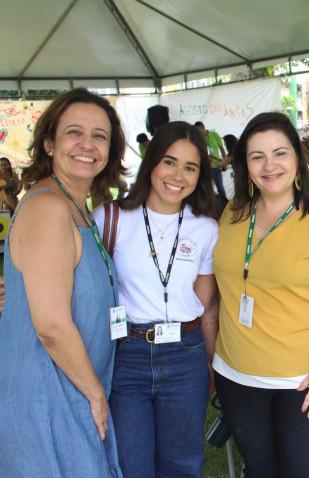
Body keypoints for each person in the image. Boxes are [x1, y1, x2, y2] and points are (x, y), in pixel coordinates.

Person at [212, 112, 309, 478]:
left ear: (297, 160)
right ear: (244, 164)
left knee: (303, 471)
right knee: (260, 470)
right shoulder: (232, 214)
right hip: (237, 375)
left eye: (279, 153)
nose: (269, 165)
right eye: (257, 156)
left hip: (304, 379)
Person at [0, 88, 126, 477]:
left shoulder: (77, 207)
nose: (87, 144)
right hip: (49, 393)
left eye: (100, 136)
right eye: (75, 132)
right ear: (50, 144)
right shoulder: (49, 208)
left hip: (72, 385)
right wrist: (95, 395)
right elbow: (52, 326)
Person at [94, 121, 220, 478]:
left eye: (190, 167)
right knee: (132, 464)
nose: (177, 175)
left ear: (200, 175)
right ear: (151, 162)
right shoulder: (109, 218)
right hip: (127, 354)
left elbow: (208, 307)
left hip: (185, 355)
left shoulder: (206, 228)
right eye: (169, 161)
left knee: (183, 463)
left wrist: (214, 366)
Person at [195, 121, 228, 203]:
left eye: (199, 131)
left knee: (220, 187)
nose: (199, 133)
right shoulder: (198, 139)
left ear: (203, 127)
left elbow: (222, 149)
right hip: (204, 167)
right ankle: (209, 204)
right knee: (205, 188)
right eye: (197, 132)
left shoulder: (214, 135)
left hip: (216, 166)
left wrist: (225, 162)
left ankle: (224, 204)